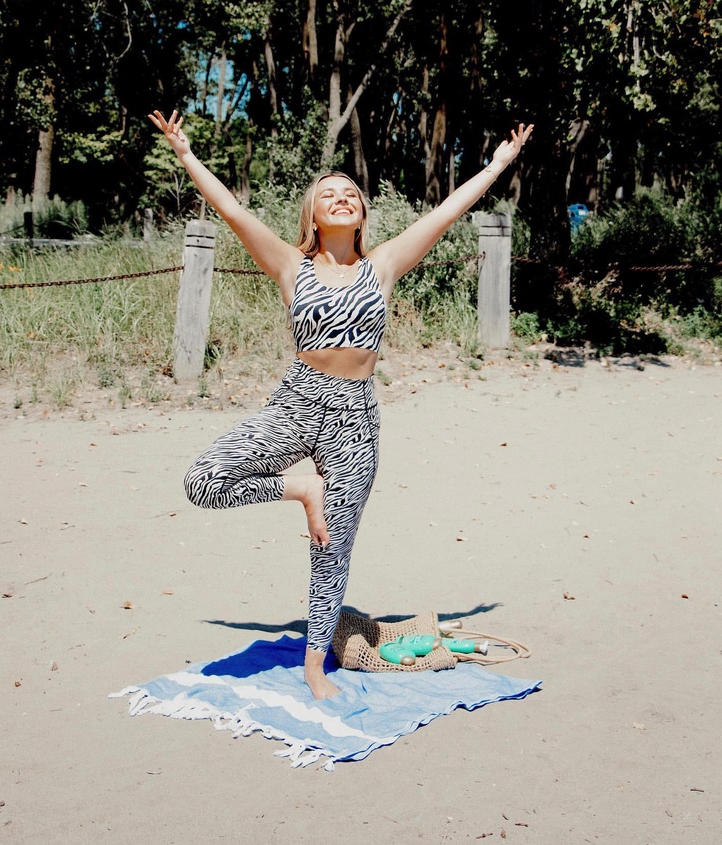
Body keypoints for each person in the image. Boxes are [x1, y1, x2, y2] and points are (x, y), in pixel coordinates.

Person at [148, 109, 533, 699]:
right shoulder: (290, 264)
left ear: (362, 214)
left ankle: (313, 663)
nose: (341, 197)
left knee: (332, 547)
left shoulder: (383, 265)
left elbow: (446, 211)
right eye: (328, 193)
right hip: (297, 401)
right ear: (312, 214)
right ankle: (302, 489)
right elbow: (232, 211)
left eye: (350, 192)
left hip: (354, 415)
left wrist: (499, 163)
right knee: (203, 480)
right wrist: (185, 154)